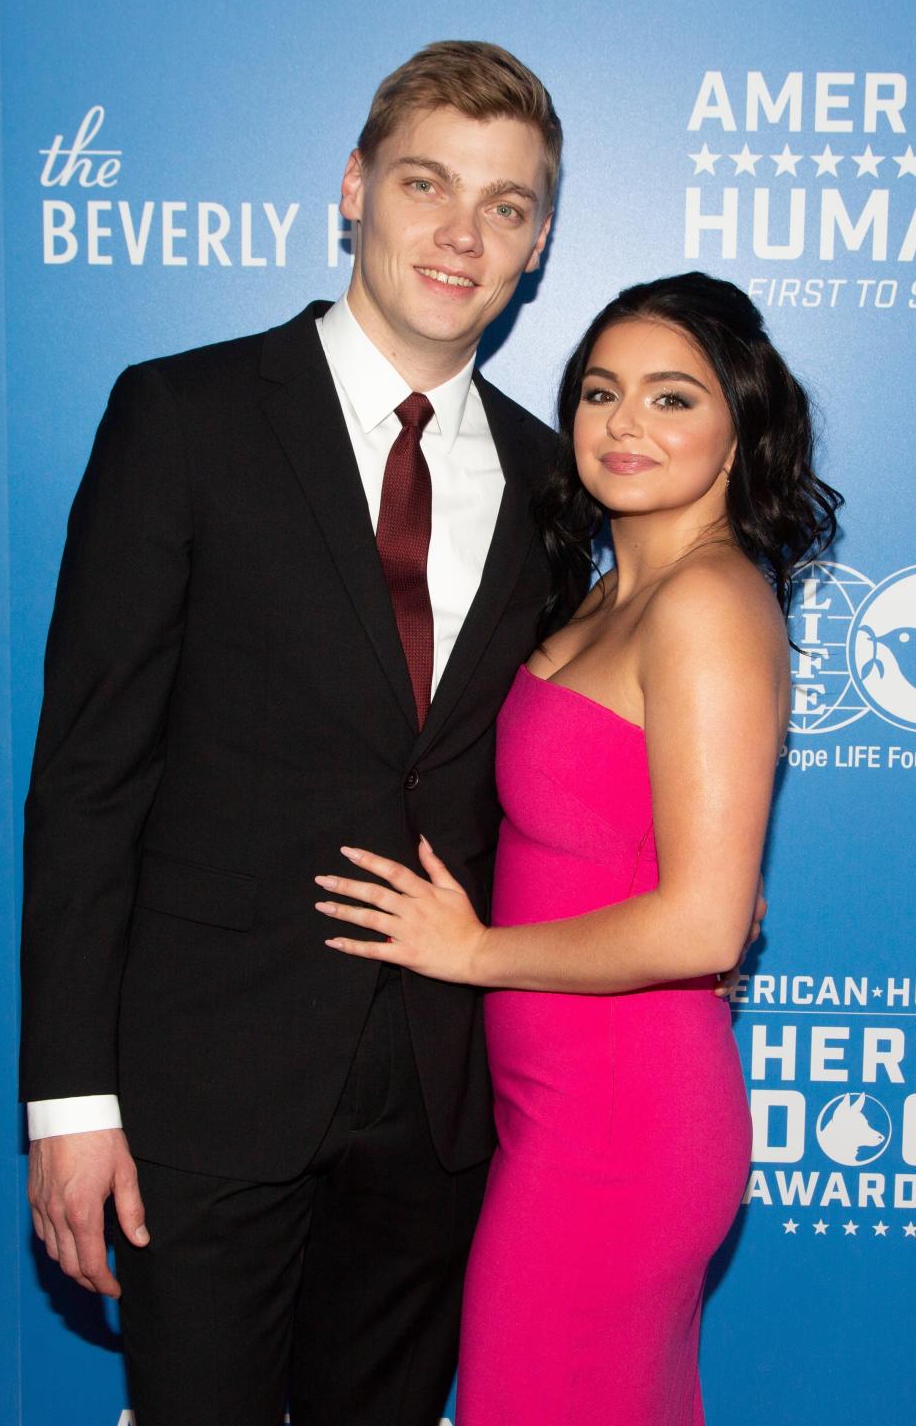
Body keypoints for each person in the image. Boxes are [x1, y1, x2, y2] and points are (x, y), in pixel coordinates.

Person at [21, 40, 564, 1426]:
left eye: (506, 206)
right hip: (206, 1087)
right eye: (426, 183)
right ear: (352, 189)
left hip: (442, 1106)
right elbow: (89, 779)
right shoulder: (183, 416)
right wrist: (70, 1104)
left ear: (538, 243)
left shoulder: (557, 481)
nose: (461, 233)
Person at [312, 272, 842, 1425]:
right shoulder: (605, 598)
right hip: (559, 1110)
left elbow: (705, 922)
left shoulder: (706, 604)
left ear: (741, 426)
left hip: (619, 1129)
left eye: (672, 398)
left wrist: (471, 952)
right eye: (601, 393)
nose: (623, 425)